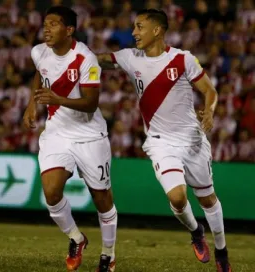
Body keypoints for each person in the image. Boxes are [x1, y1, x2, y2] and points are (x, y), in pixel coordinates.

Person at [96, 9, 231, 272]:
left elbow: (209, 91)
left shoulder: (183, 59)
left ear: (156, 30)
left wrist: (210, 112)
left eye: (139, 27)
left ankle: (222, 250)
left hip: (192, 140)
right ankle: (195, 231)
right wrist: (71, 55)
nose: (134, 33)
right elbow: (99, 59)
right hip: (160, 142)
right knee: (178, 198)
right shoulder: (129, 58)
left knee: (207, 199)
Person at [23, 6, 117, 272]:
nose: (47, 29)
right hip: (57, 132)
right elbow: (39, 74)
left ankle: (108, 254)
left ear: (69, 29)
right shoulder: (38, 51)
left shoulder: (86, 58)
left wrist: (57, 99)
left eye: (54, 24)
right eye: (45, 23)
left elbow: (91, 103)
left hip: (89, 135)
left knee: (102, 198)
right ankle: (77, 239)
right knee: (51, 193)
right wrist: (32, 104)